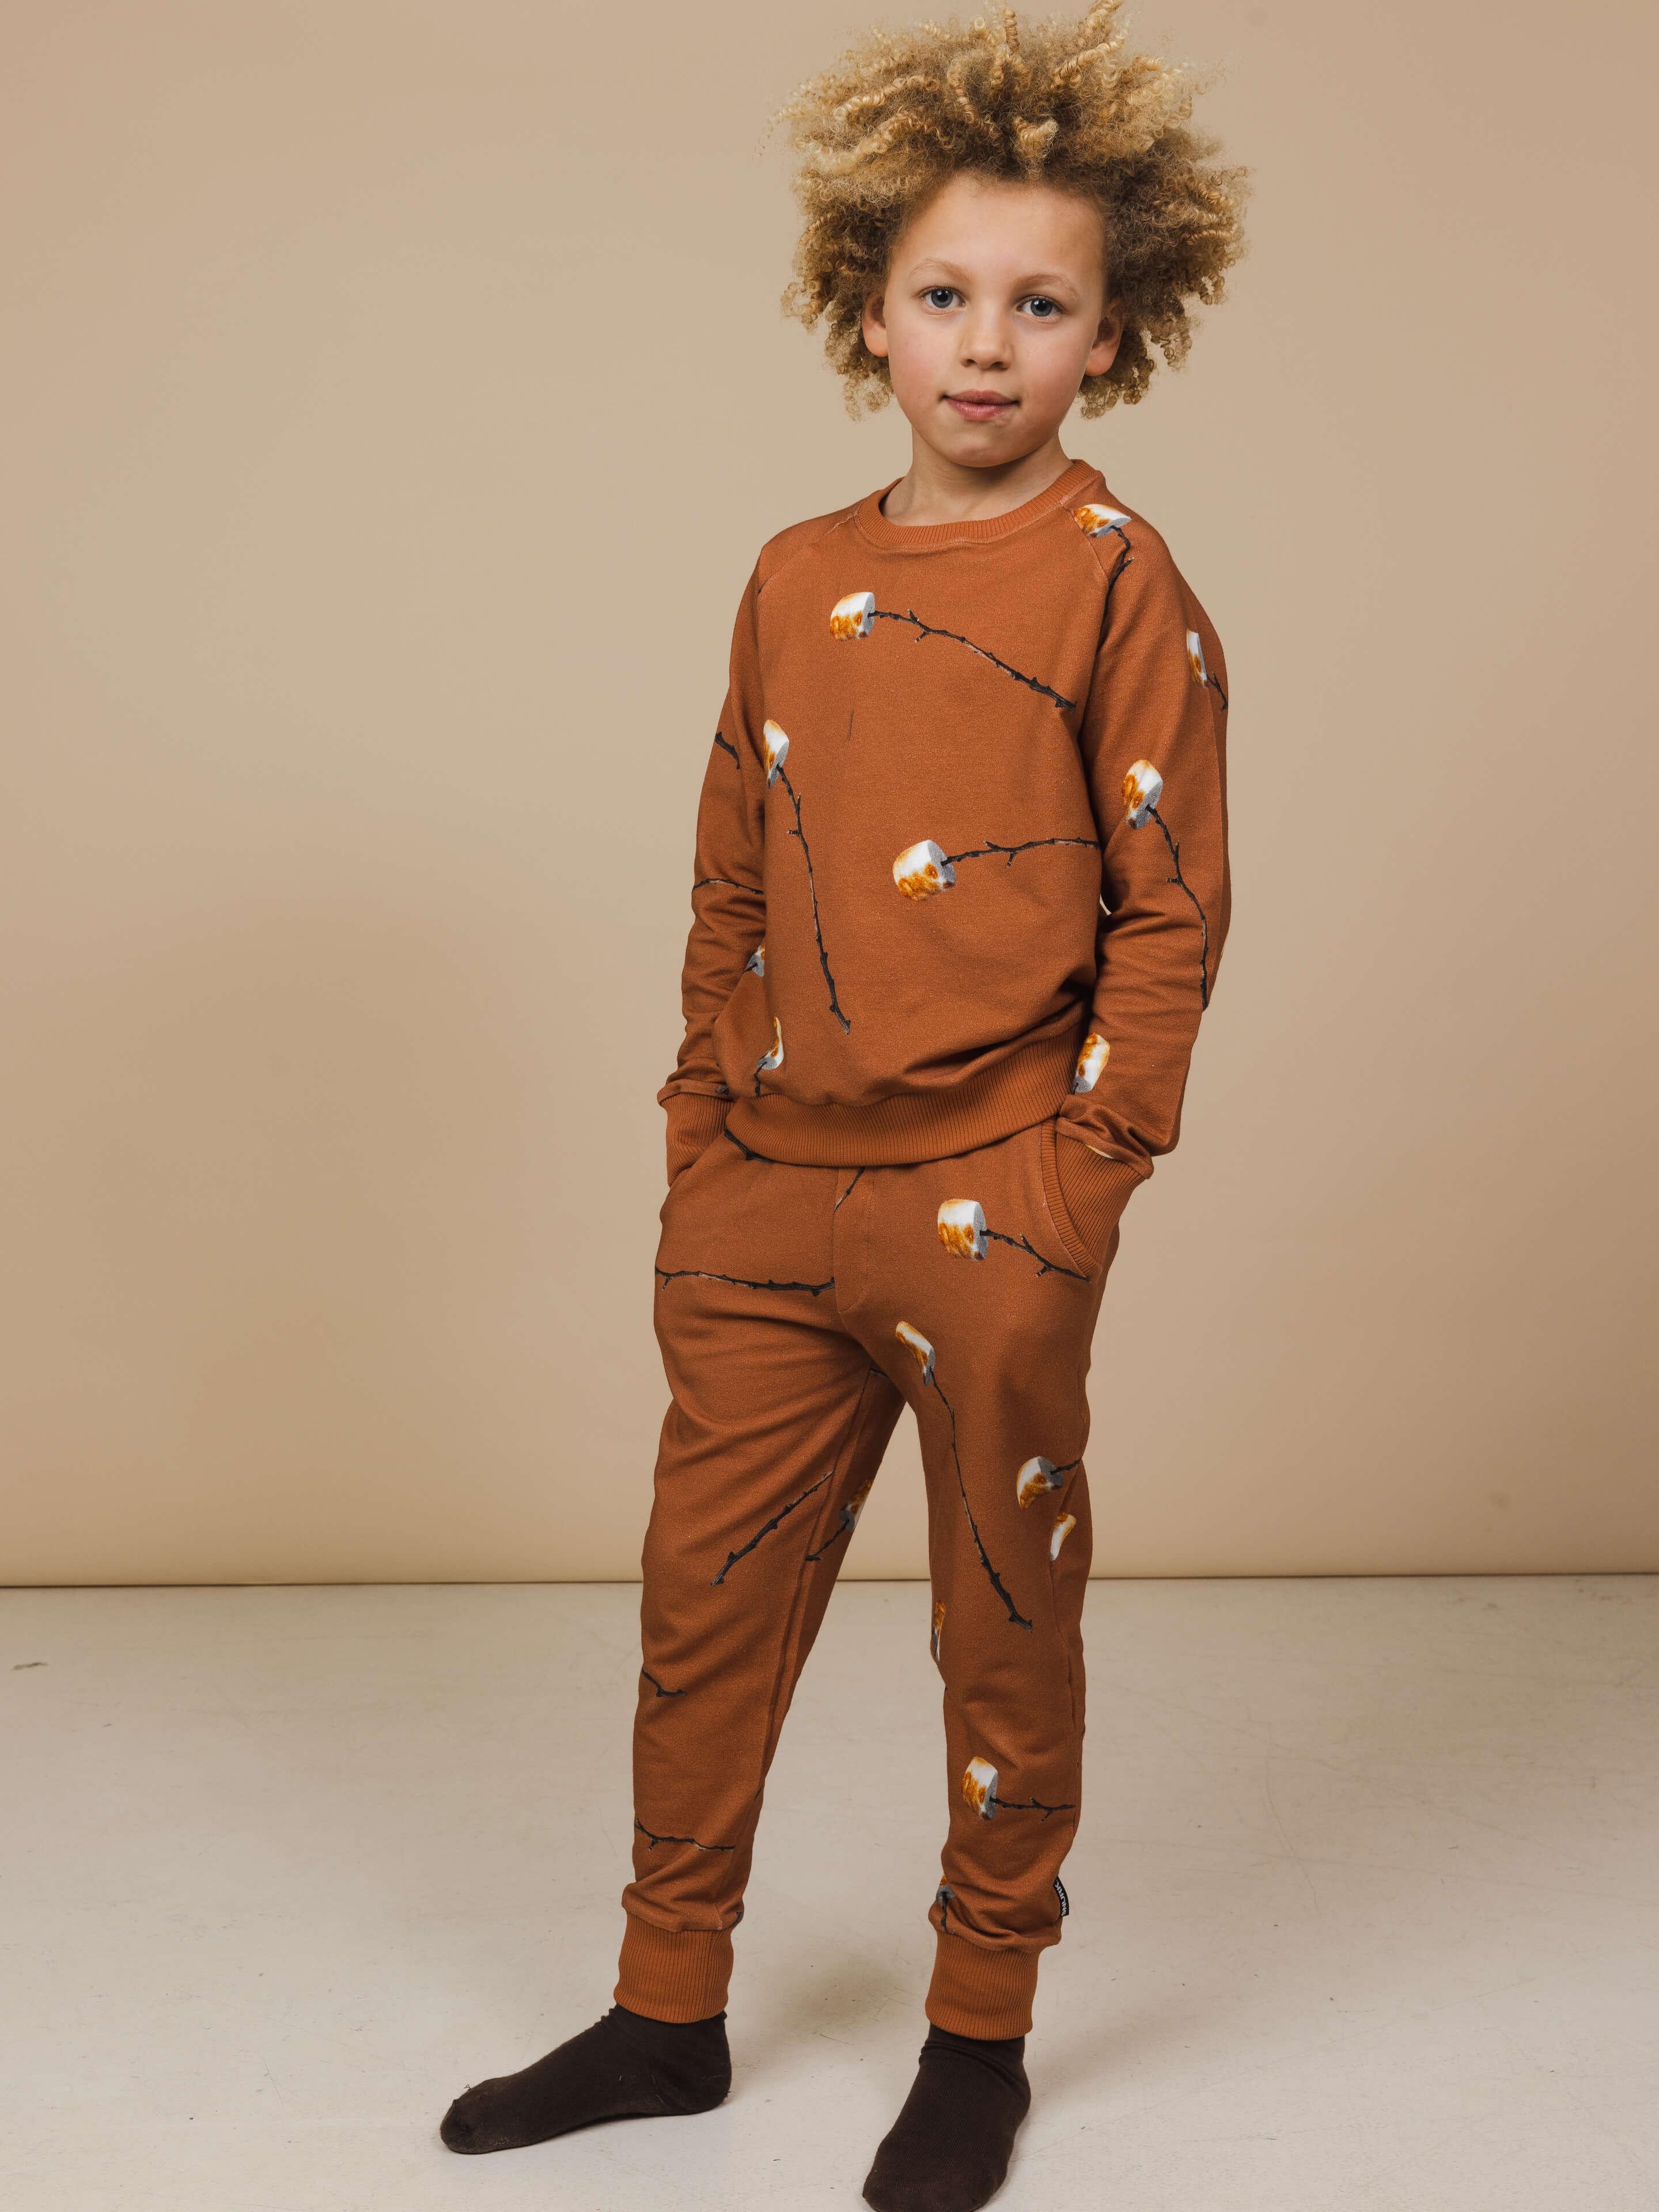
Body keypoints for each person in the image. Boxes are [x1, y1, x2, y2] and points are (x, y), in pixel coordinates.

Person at [440, 5, 1245, 2205]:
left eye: (1041, 305)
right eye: (943, 294)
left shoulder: (1118, 580)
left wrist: (1084, 1181)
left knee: (1004, 1620)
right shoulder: (796, 577)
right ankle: (662, 2011)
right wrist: (701, 1134)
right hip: (765, 1196)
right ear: (865, 311)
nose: (987, 344)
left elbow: (1171, 909)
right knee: (701, 1610)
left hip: (997, 1204)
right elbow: (731, 867)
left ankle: (979, 2036)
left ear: (1112, 333)